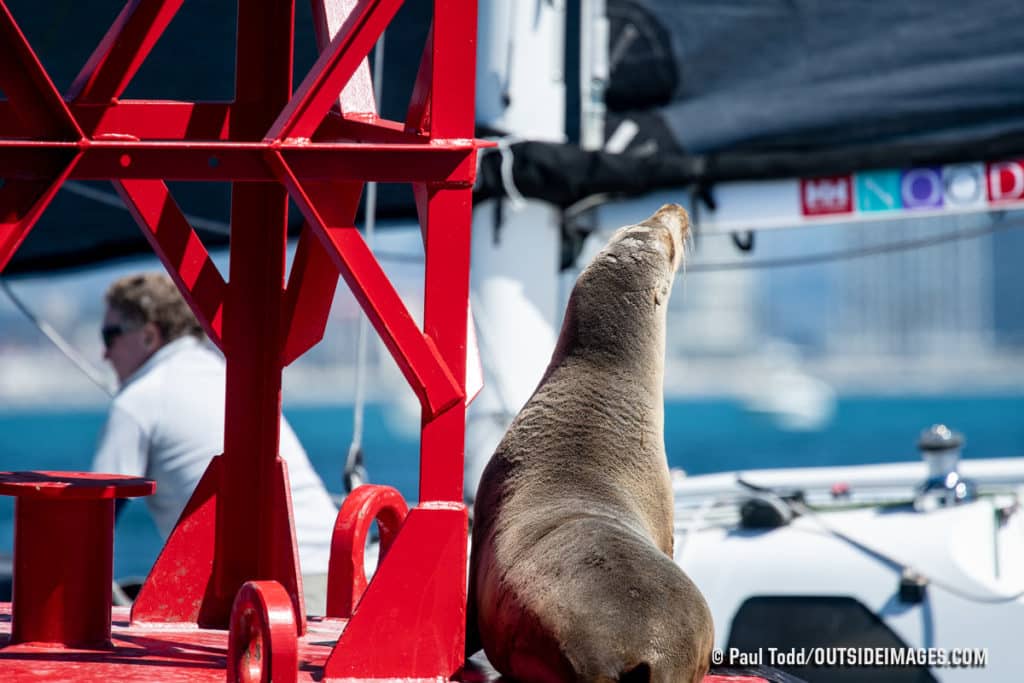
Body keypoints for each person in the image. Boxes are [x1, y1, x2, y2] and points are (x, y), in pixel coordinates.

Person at [93, 272, 338, 614]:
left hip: (266, 599)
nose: (105, 353)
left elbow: (91, 524)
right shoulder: (228, 375)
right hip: (337, 581)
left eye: (110, 336)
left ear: (149, 335)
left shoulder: (139, 400)